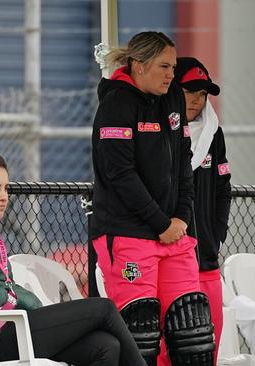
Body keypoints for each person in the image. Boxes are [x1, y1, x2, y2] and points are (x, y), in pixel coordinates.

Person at [0, 152, 146, 366]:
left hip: (10, 326)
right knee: (104, 309)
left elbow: (6, 286)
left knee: (106, 346)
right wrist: (7, 295)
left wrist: (29, 303)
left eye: (6, 188)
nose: (4, 196)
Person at [89, 31, 215, 366]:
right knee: (138, 333)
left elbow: (183, 161)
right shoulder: (116, 103)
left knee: (193, 331)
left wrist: (181, 219)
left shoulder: (172, 96)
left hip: (174, 233)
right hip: (130, 233)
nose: (171, 74)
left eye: (173, 66)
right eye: (164, 66)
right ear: (139, 66)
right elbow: (120, 174)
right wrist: (160, 223)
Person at [174, 57, 231, 364]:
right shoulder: (161, 133)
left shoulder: (214, 133)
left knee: (211, 341)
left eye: (203, 93)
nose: (197, 99)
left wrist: (215, 233)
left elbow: (223, 187)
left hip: (206, 258)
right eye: (190, 91)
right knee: (177, 344)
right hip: (172, 255)